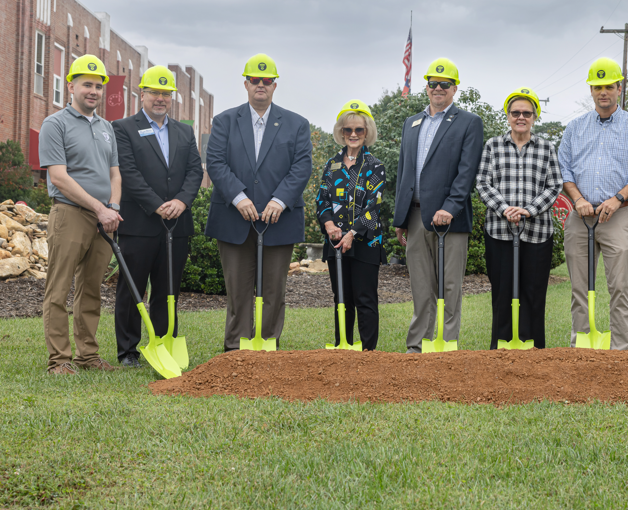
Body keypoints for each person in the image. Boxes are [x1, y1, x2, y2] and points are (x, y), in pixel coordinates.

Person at [205, 53, 312, 351]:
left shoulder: (296, 124)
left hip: (279, 220)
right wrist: (238, 197)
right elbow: (215, 162)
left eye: (267, 81)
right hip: (234, 218)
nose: (261, 85)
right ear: (246, 84)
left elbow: (302, 166)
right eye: (255, 80)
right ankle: (236, 348)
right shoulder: (225, 121)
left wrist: (280, 200)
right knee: (238, 290)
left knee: (274, 289)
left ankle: (267, 344)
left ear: (275, 86)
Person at [111, 65, 205, 368]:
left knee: (168, 289)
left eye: (166, 93)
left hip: (177, 225)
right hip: (139, 224)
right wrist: (156, 204)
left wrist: (181, 201)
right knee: (132, 290)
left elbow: (195, 171)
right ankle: (128, 351)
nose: (161, 98)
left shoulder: (184, 131)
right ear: (142, 94)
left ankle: (164, 342)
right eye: (155, 92)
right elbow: (128, 172)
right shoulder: (123, 128)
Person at [558, 57, 628, 350]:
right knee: (579, 289)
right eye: (598, 86)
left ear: (619, 88)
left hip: (618, 215)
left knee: (620, 288)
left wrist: (618, 198)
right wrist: (578, 199)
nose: (603, 92)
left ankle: (621, 351)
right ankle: (582, 346)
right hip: (580, 216)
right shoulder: (575, 127)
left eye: (609, 86)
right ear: (590, 89)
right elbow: (563, 168)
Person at [38, 55, 123, 375]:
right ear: (70, 86)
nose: (93, 91)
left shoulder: (106, 128)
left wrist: (112, 207)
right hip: (70, 214)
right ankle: (59, 360)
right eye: (87, 85)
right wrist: (99, 208)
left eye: (99, 86)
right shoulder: (55, 124)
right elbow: (59, 177)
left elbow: (115, 174)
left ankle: (87, 356)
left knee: (91, 290)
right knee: (58, 290)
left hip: (104, 220)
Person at [393, 57, 484, 353]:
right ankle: (417, 344)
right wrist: (400, 217)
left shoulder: (469, 123)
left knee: (449, 285)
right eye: (433, 83)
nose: (438, 88)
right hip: (416, 215)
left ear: (455, 88)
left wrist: (451, 206)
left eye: (444, 84)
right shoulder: (412, 123)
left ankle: (447, 342)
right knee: (420, 284)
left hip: (450, 218)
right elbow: (404, 169)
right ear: (427, 87)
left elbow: (467, 171)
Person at [476, 87, 562, 349]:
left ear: (534, 116)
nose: (521, 117)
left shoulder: (546, 148)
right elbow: (482, 183)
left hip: (537, 233)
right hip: (500, 232)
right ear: (508, 116)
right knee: (502, 292)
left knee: (533, 293)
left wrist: (529, 210)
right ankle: (500, 345)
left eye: (526, 113)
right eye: (515, 113)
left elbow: (554, 185)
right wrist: (505, 209)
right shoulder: (492, 146)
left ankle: (534, 347)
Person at [315, 100, 387, 350]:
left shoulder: (375, 165)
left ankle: (368, 353)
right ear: (341, 132)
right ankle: (342, 347)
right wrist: (329, 226)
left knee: (365, 298)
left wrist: (352, 233)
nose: (353, 134)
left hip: (366, 242)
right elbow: (321, 198)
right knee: (341, 299)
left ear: (367, 132)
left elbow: (374, 206)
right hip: (335, 241)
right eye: (348, 130)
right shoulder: (331, 165)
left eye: (359, 130)